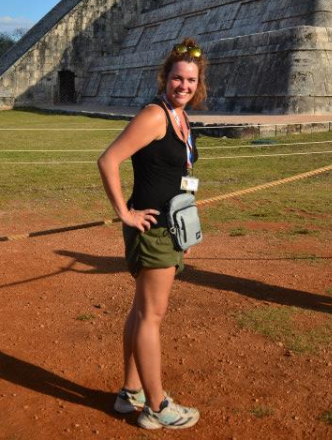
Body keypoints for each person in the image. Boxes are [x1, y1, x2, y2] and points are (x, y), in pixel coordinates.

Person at [97, 38, 207, 430]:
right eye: (178, 78)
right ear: (165, 78)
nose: (184, 86)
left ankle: (131, 393)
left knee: (141, 311)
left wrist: (188, 226)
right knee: (151, 317)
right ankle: (156, 406)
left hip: (173, 228)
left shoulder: (181, 117)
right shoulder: (156, 115)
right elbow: (108, 160)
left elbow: (184, 176)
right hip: (153, 230)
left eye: (191, 81)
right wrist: (124, 213)